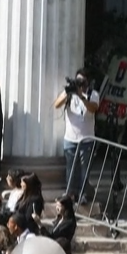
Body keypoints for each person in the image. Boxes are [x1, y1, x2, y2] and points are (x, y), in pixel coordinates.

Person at [53, 69, 100, 203]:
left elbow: (93, 108)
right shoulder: (69, 93)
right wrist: (68, 93)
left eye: (83, 82)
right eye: (78, 81)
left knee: (85, 170)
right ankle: (70, 194)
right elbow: (56, 105)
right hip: (70, 139)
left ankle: (84, 194)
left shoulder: (93, 94)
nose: (81, 84)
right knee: (71, 169)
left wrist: (82, 96)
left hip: (87, 139)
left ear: (87, 82)